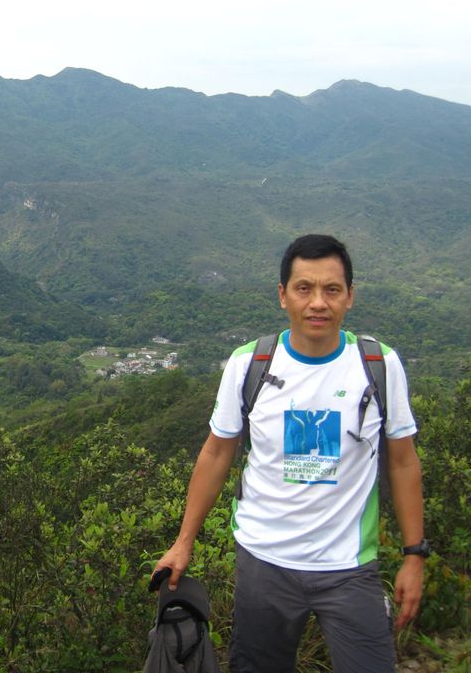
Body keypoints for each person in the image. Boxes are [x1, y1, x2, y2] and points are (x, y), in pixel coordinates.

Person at [154, 234, 426, 672]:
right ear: (283, 295)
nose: (318, 302)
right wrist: (183, 543)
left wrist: (414, 556)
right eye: (304, 288)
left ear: (350, 296)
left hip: (349, 565)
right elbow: (216, 454)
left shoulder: (377, 364)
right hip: (264, 562)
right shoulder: (249, 363)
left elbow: (403, 461)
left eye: (332, 289)